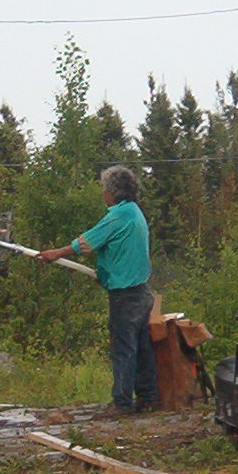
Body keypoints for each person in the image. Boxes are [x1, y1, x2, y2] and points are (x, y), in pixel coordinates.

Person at [38, 165, 159, 414]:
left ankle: (122, 403)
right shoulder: (134, 212)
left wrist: (55, 253)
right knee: (142, 346)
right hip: (140, 291)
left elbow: (87, 242)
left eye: (104, 189)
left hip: (126, 294)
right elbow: (118, 250)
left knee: (124, 348)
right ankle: (148, 398)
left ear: (112, 192)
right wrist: (106, 273)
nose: (103, 193)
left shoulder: (119, 215)